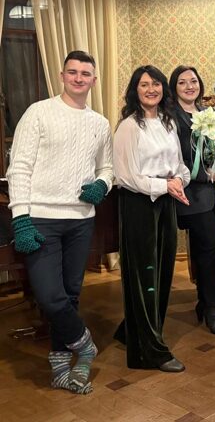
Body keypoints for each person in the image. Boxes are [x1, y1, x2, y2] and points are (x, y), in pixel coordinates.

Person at [7, 50, 112, 395]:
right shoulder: (38, 112)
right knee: (50, 297)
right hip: (41, 219)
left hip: (81, 221)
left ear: (93, 80)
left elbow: (106, 168)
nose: (79, 78)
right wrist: (21, 218)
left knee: (70, 294)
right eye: (73, 72)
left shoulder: (99, 123)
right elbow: (19, 168)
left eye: (85, 73)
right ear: (62, 75)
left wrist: (102, 184)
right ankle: (85, 346)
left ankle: (62, 366)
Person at [113, 65, 190, 372]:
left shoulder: (169, 122)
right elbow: (126, 176)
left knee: (162, 272)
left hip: (166, 201)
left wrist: (179, 180)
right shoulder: (129, 126)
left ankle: (132, 331)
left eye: (156, 84)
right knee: (144, 276)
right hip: (139, 204)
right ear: (135, 90)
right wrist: (164, 186)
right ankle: (148, 352)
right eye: (144, 85)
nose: (151, 89)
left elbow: (179, 165)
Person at [169, 65, 215, 336]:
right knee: (209, 245)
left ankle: (208, 305)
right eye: (182, 82)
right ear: (174, 87)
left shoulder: (208, 114)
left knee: (209, 247)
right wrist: (205, 174)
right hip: (181, 191)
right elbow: (172, 155)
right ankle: (209, 307)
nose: (189, 86)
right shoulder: (168, 116)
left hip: (206, 193)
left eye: (193, 81)